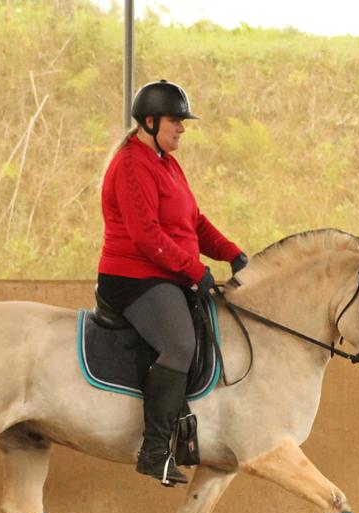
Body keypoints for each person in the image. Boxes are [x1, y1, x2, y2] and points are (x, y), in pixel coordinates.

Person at [97, 80, 248, 486]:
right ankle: (155, 450)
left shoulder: (166, 162)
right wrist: (193, 270)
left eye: (183, 122)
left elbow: (193, 223)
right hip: (133, 277)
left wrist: (232, 253)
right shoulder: (131, 164)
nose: (182, 128)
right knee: (180, 343)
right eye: (175, 121)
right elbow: (146, 236)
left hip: (165, 272)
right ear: (149, 121)